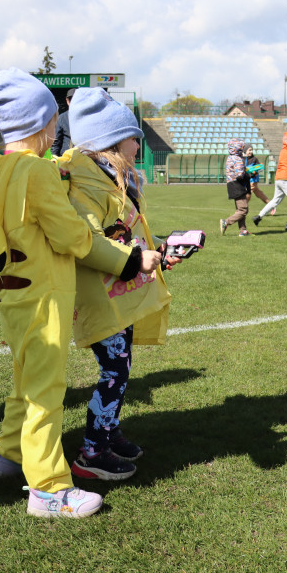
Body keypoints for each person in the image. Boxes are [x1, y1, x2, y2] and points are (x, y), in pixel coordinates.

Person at [0, 69, 157, 518]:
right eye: (54, 121)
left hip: (9, 294)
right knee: (45, 390)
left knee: (24, 378)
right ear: (43, 126)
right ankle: (49, 489)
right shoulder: (36, 172)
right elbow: (75, 238)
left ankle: (9, 456)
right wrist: (130, 260)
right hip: (42, 296)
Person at [57, 87, 177, 482]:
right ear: (109, 141)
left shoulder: (110, 178)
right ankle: (91, 451)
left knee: (120, 367)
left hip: (116, 292)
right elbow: (89, 241)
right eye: (132, 137)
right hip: (99, 295)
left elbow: (122, 231)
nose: (138, 143)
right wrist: (135, 260)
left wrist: (157, 250)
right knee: (114, 371)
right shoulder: (86, 184)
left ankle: (108, 434)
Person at [220, 138, 253, 237]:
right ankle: (226, 222)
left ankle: (243, 231)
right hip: (237, 185)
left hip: (231, 185)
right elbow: (239, 175)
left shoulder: (230, 158)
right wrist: (249, 174)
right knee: (243, 210)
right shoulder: (238, 159)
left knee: (240, 209)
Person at [49, 88, 76, 156]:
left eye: (76, 100)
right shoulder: (62, 118)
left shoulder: (88, 117)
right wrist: (54, 158)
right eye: (71, 100)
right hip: (66, 159)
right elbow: (56, 141)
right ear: (67, 101)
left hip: (84, 158)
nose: (73, 102)